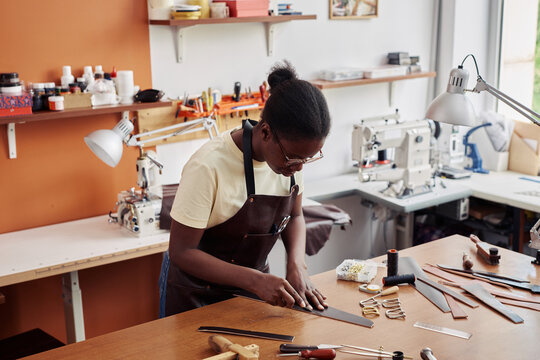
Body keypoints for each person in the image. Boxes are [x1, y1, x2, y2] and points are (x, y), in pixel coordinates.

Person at [165, 61, 332, 316]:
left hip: (250, 293)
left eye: (306, 160)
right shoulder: (208, 166)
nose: (298, 168)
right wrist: (255, 280)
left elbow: (295, 216)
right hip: (194, 296)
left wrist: (297, 265)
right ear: (265, 132)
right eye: (293, 158)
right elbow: (181, 251)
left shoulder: (288, 164)